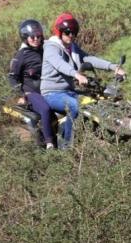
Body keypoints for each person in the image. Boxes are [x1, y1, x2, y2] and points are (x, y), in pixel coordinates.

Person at [39, 13, 122, 147]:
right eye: (67, 32)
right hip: (52, 93)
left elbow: (88, 59)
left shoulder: (72, 47)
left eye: (74, 32)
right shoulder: (51, 47)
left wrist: (113, 67)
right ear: (59, 31)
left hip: (69, 91)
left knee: (96, 103)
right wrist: (76, 74)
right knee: (76, 107)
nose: (71, 35)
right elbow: (60, 64)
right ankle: (67, 148)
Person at [8, 18, 57, 149]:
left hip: (48, 89)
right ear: (25, 37)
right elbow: (12, 77)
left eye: (38, 36)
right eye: (32, 36)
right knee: (45, 109)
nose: (36, 39)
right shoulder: (21, 55)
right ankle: (49, 143)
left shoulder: (45, 49)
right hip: (31, 92)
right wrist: (20, 95)